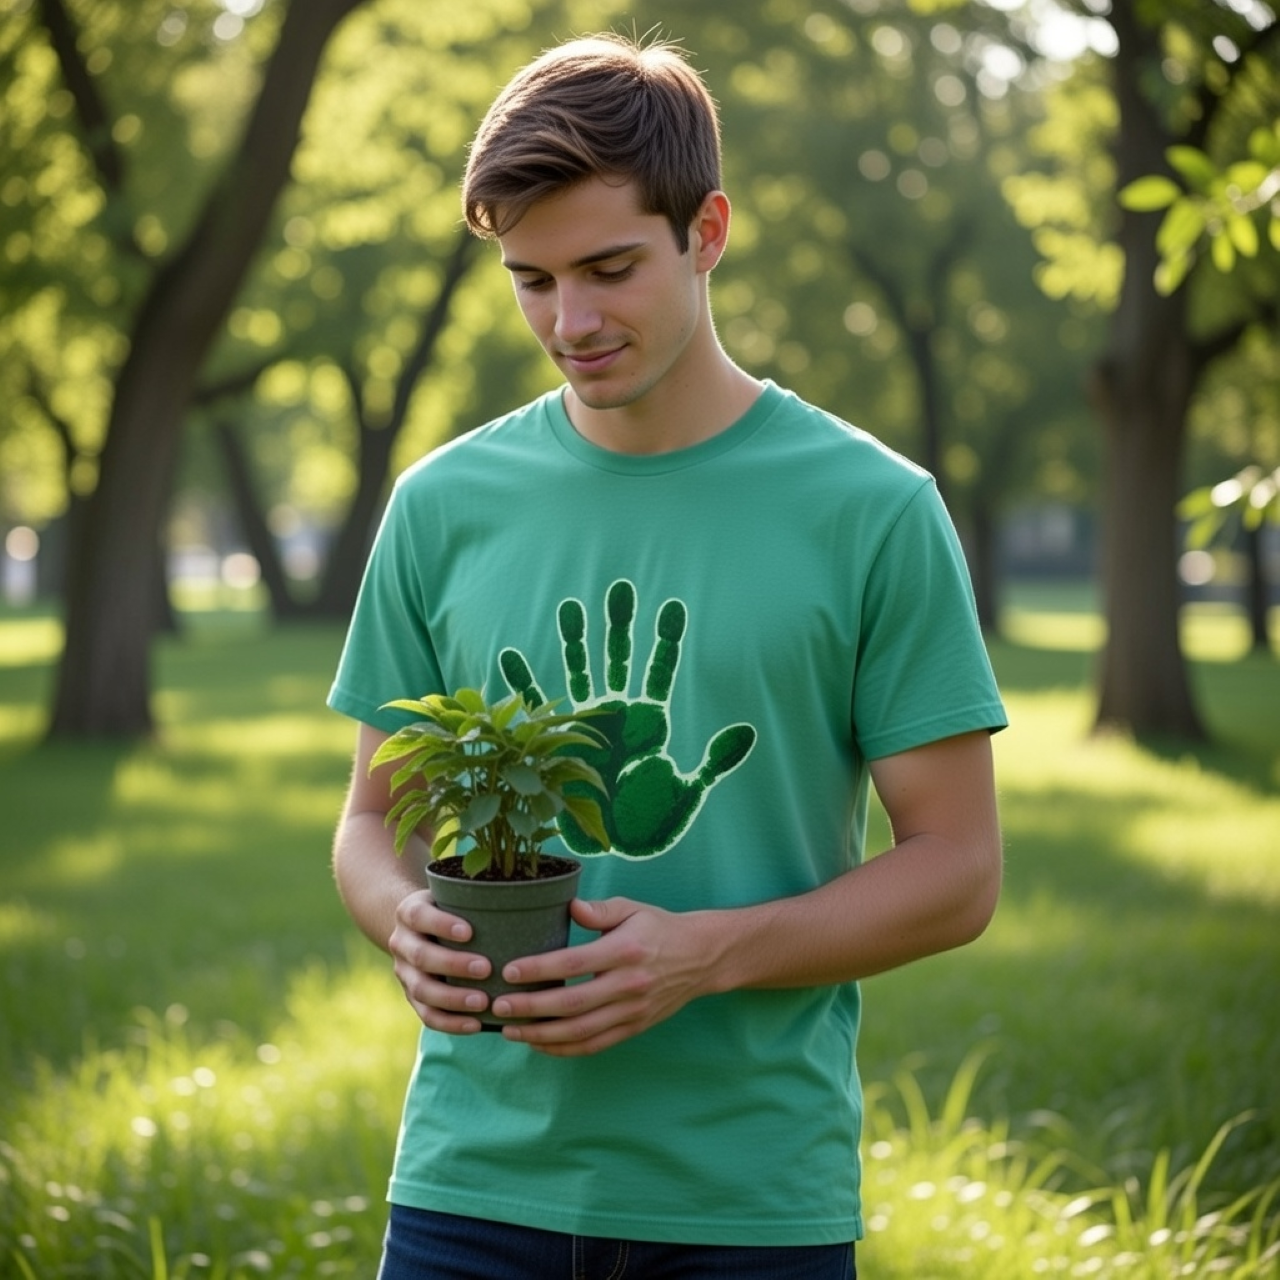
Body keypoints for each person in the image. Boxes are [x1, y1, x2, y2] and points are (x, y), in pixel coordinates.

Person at [328, 31, 1006, 1280]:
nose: (570, 321)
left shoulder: (872, 510)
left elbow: (956, 871)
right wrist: (403, 920)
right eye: (531, 280)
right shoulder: (439, 506)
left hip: (748, 1198)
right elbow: (372, 824)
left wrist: (704, 954)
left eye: (608, 268)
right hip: (471, 1183)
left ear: (706, 231)